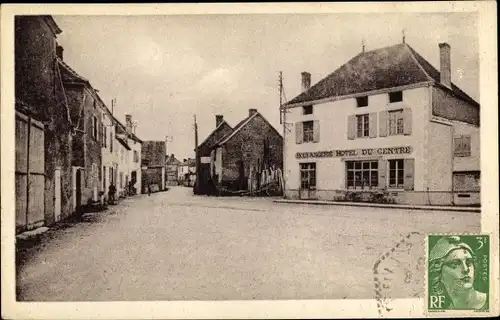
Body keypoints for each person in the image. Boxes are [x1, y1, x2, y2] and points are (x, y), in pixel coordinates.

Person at [429, 236, 488, 310]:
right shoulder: (445, 311)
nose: (466, 269)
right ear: (438, 272)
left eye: (469, 262)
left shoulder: (493, 302)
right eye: (455, 264)